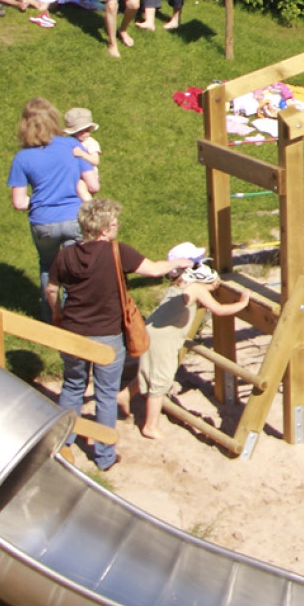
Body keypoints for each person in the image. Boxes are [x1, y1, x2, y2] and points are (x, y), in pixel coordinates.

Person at [43, 198, 189, 471]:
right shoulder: (116, 252)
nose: (117, 226)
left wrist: (57, 313)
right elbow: (155, 269)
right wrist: (180, 262)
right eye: (113, 223)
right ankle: (104, 455)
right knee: (105, 394)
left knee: (73, 386)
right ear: (102, 230)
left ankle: (63, 443)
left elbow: (51, 289)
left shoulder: (64, 255)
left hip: (73, 332)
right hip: (107, 335)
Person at [134, 250, 250, 439]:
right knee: (160, 382)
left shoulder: (179, 284)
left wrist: (210, 284)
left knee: (146, 371)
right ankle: (150, 426)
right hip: (164, 341)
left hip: (151, 333)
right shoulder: (196, 289)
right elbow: (219, 310)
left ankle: (122, 400)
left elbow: (203, 288)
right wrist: (242, 304)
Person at [8, 98, 97, 308]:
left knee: (48, 267)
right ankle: (75, 320)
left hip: (43, 223)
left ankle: (51, 321)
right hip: (74, 217)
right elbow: (93, 184)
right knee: (74, 269)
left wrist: (42, 198)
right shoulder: (72, 145)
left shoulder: (22, 158)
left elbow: (19, 203)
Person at [63, 106, 103, 190]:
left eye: (87, 130)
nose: (85, 134)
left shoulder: (90, 143)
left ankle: (89, 202)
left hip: (89, 177)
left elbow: (96, 161)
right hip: (75, 175)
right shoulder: (69, 142)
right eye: (81, 131)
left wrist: (82, 154)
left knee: (81, 189)